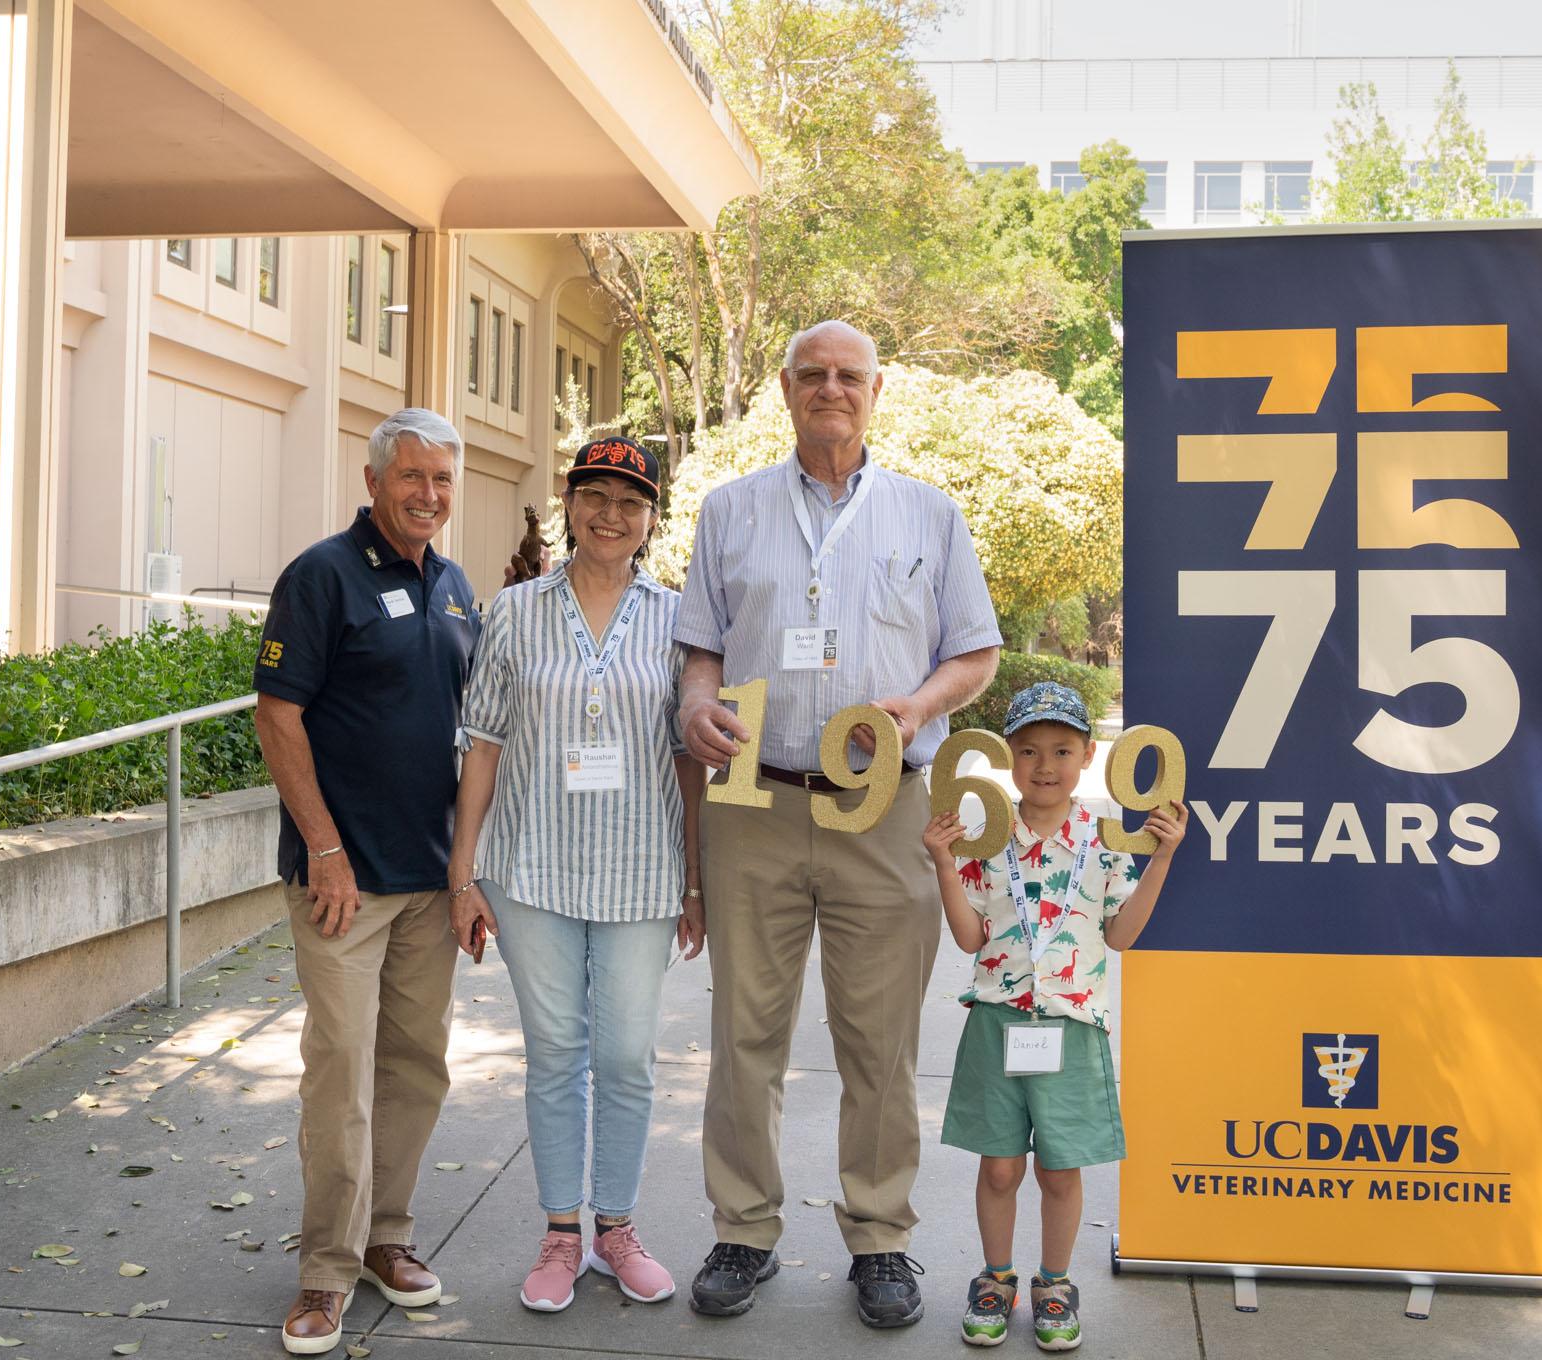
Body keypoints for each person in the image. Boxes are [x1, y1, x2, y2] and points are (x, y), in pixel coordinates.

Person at [676, 319, 1004, 1328]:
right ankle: (742, 1227)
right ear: (783, 389)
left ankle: (880, 1236)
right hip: (753, 798)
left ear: (876, 391)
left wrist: (919, 705)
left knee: (880, 1039)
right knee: (745, 1032)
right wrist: (696, 703)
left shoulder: (929, 514)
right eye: (811, 374)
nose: (830, 388)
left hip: (884, 805)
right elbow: (700, 647)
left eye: (848, 376)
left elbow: (975, 652)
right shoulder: (729, 509)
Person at [449, 436, 707, 1315]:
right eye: (595, 495)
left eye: (630, 501)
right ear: (568, 503)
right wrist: (463, 874)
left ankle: (617, 1229)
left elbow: (688, 761)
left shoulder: (677, 619)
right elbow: (483, 744)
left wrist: (695, 881)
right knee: (556, 1055)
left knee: (627, 1058)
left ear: (651, 518)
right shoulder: (516, 611)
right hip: (533, 873)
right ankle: (562, 1233)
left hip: (641, 875)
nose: (611, 514)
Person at [251, 408, 481, 1356]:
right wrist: (325, 848)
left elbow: (475, 734)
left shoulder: (456, 587)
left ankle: (388, 1236)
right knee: (341, 1072)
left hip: (430, 879)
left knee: (416, 1066)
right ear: (374, 479)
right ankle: (325, 1270)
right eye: (412, 476)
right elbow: (277, 716)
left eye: (442, 480)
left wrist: (468, 874)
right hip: (343, 883)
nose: (428, 494)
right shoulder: (321, 575)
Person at [924, 681, 1187, 1352]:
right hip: (996, 1024)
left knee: (1060, 1170)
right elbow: (969, 938)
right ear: (1008, 758)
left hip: (1072, 1028)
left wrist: (1162, 857)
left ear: (1089, 756)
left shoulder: (1105, 843)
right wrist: (945, 864)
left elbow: (1122, 935)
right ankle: (996, 1278)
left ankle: (1054, 1284)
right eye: (1029, 750)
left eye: (1062, 750)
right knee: (1000, 1168)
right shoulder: (987, 840)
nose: (1045, 765)